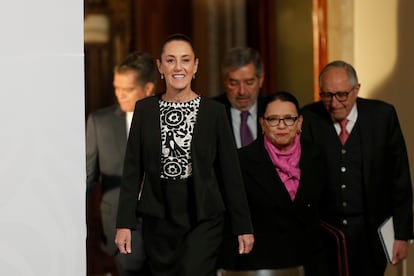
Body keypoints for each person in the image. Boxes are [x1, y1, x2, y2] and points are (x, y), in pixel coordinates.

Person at [114, 33, 254, 276]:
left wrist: (243, 226)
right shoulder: (144, 110)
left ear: (195, 66)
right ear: (160, 66)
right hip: (158, 216)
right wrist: (124, 223)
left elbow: (230, 173)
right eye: (170, 60)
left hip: (203, 216)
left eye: (185, 60)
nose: (178, 67)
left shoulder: (214, 112)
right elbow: (132, 170)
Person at [301, 60, 414, 275]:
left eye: (341, 95)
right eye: (326, 95)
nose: (334, 103)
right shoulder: (308, 117)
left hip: (370, 234)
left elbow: (400, 178)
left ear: (356, 90)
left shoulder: (382, 116)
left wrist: (401, 234)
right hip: (324, 236)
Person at [218, 91, 329, 275]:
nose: (281, 125)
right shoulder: (241, 161)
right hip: (260, 265)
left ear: (299, 122)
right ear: (262, 123)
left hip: (311, 263)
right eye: (273, 119)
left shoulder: (317, 156)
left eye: (288, 118)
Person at [86, 51, 157, 275]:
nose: (120, 95)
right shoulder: (100, 123)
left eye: (127, 90)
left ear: (148, 89)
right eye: (117, 88)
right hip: (121, 227)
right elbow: (87, 179)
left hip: (167, 228)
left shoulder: (173, 119)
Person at [214, 47, 265, 148]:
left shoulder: (273, 110)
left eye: (249, 82)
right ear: (224, 82)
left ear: (261, 80)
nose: (242, 91)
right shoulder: (210, 113)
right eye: (233, 83)